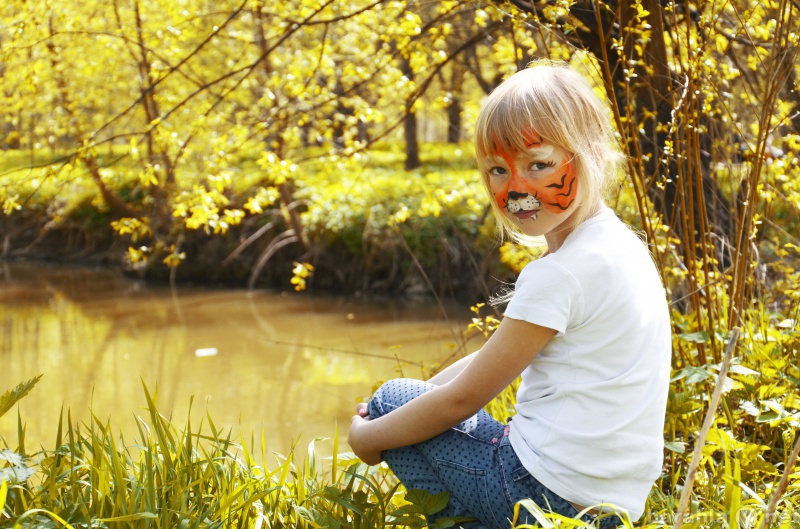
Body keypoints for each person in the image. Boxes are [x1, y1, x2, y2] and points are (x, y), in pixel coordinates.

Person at [347, 61, 672, 529]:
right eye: (498, 169)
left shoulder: (561, 273)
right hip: (611, 510)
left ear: (592, 154)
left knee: (391, 400)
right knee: (413, 401)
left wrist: (368, 436)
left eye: (539, 164)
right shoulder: (619, 246)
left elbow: (463, 402)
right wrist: (429, 391)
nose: (517, 190)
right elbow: (493, 358)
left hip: (542, 497)